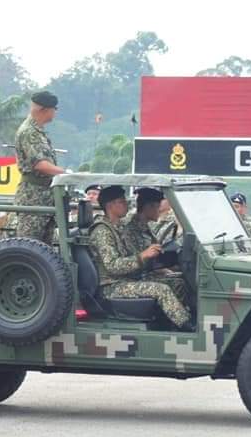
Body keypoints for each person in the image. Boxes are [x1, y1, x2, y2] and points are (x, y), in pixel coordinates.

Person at [88, 186, 192, 330]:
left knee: (178, 283)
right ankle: (186, 328)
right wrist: (142, 256)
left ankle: (166, 325)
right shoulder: (102, 231)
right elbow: (112, 265)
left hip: (128, 280)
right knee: (161, 290)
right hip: (111, 286)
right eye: (122, 201)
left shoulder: (118, 227)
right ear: (110, 205)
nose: (127, 204)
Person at [14, 91, 65, 243]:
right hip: (33, 198)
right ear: (44, 109)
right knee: (28, 247)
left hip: (44, 197)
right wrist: (66, 174)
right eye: (54, 109)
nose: (55, 112)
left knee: (44, 250)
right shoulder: (29, 132)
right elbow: (40, 165)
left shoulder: (38, 131)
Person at [123, 187, 188, 303]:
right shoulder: (130, 230)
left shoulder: (146, 227)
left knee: (182, 280)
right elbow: (132, 263)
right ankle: (177, 320)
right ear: (148, 207)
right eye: (157, 207)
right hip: (134, 278)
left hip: (147, 273)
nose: (159, 210)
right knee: (178, 284)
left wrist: (162, 268)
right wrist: (150, 262)